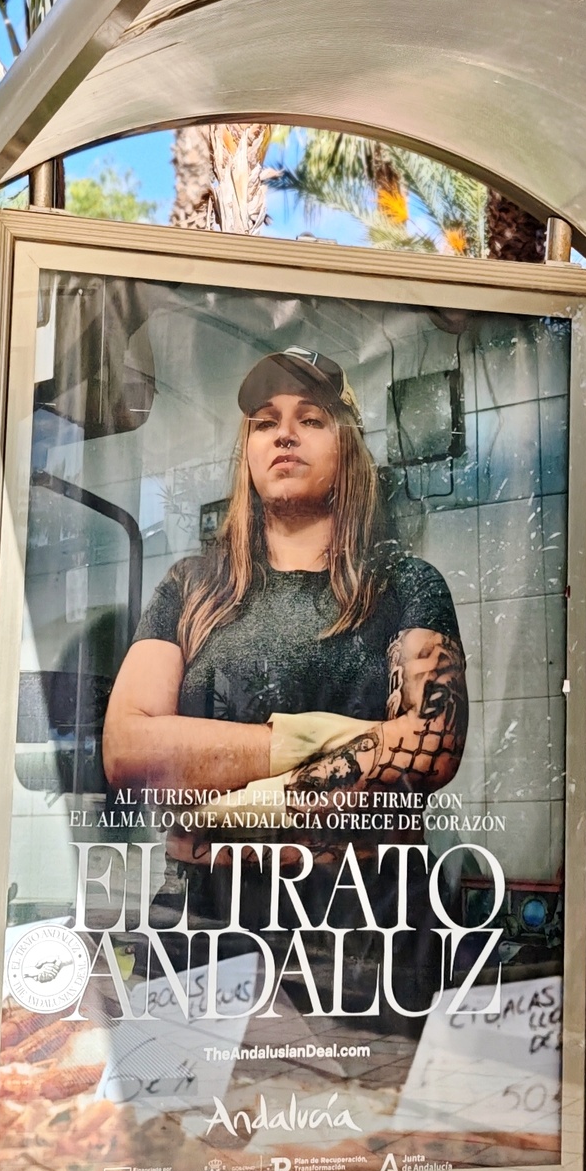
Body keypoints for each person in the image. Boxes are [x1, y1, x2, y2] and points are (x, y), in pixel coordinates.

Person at [103, 347, 467, 932]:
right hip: (205, 916)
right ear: (247, 451)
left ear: (345, 445)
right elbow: (127, 746)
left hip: (366, 922)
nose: (285, 435)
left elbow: (430, 747)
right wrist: (326, 740)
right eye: (266, 422)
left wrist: (231, 796)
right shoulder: (191, 587)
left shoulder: (404, 584)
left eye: (312, 419)